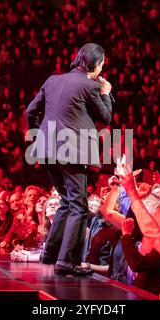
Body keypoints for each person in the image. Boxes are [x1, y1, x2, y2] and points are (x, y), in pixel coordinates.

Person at [26, 43, 112, 276]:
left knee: (66, 200)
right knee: (78, 205)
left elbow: (30, 112)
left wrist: (39, 137)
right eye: (102, 64)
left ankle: (50, 254)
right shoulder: (90, 85)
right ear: (94, 63)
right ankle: (66, 261)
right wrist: (106, 93)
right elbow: (105, 117)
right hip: (72, 152)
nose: (101, 69)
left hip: (47, 151)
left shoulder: (52, 80)